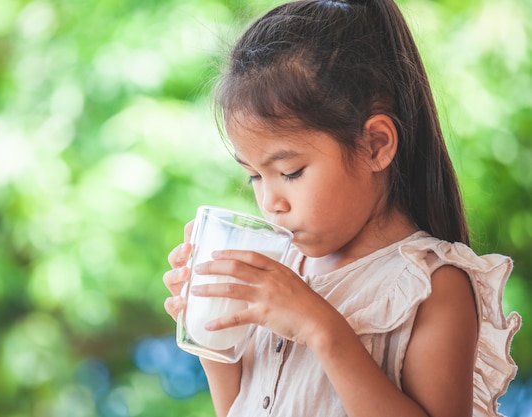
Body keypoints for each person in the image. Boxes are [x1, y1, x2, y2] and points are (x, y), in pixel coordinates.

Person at [162, 0, 521, 416]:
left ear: (375, 145)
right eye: (254, 177)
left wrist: (320, 328)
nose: (270, 203)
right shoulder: (282, 271)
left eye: (291, 172)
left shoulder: (430, 286)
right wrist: (212, 334)